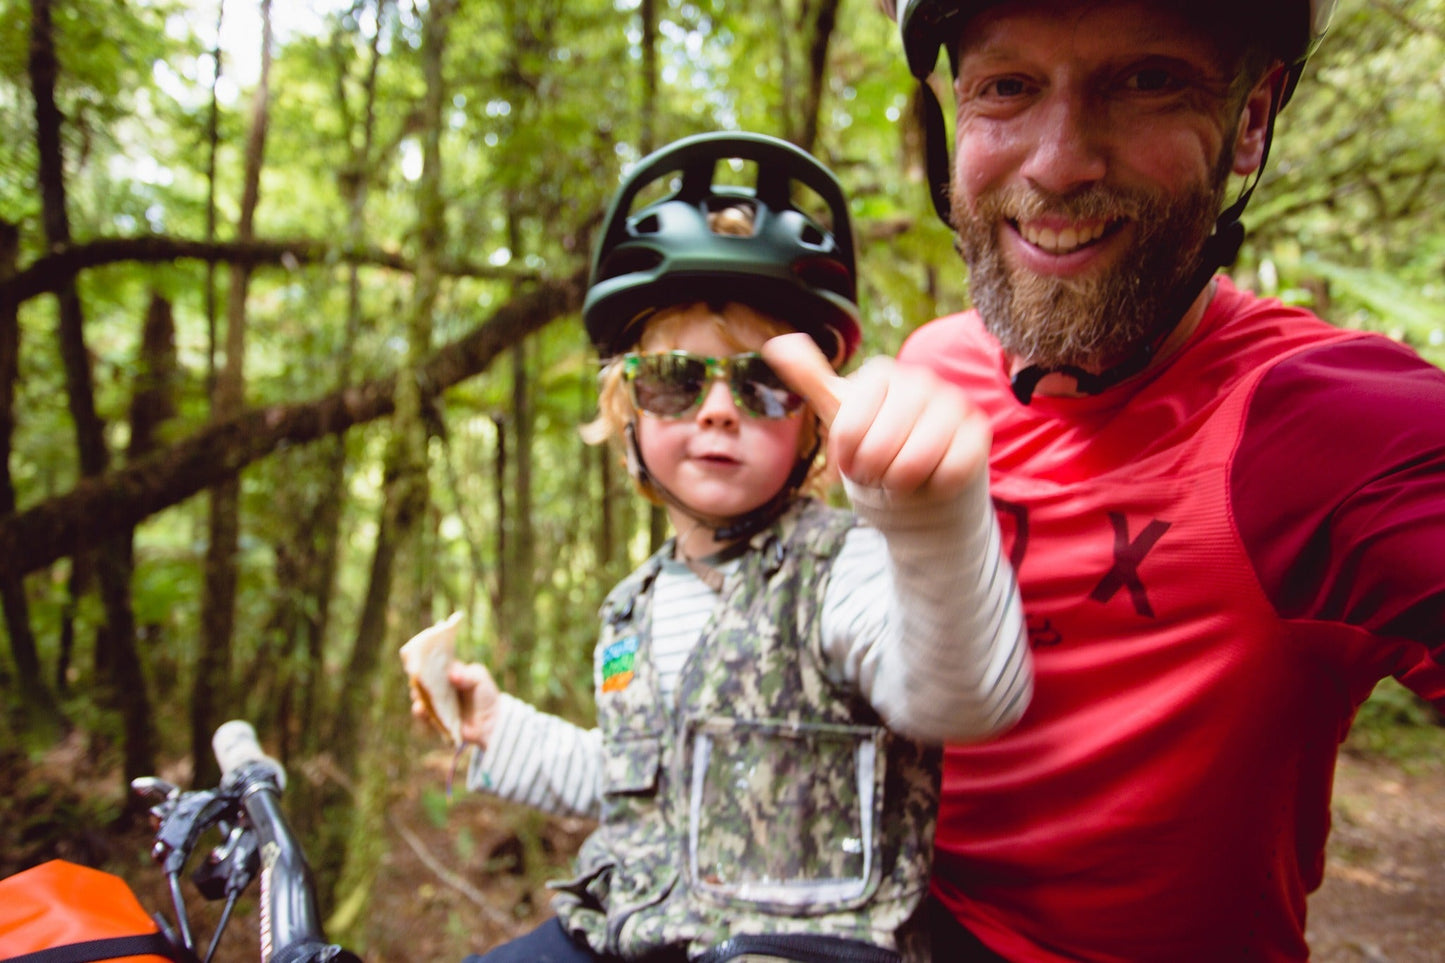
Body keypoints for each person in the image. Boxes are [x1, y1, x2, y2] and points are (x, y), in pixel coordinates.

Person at [883, 0, 1445, 960]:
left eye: (1146, 82)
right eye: (1006, 88)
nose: (1058, 163)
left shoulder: (1334, 426)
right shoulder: (934, 367)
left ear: (1251, 118)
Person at [408, 131, 1033, 963]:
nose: (716, 409)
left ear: (810, 423)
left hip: (808, 940)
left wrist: (929, 519)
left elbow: (963, 697)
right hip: (631, 926)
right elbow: (644, 785)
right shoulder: (630, 609)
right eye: (675, 379)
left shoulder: (841, 569)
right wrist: (497, 728)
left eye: (760, 381)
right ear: (626, 409)